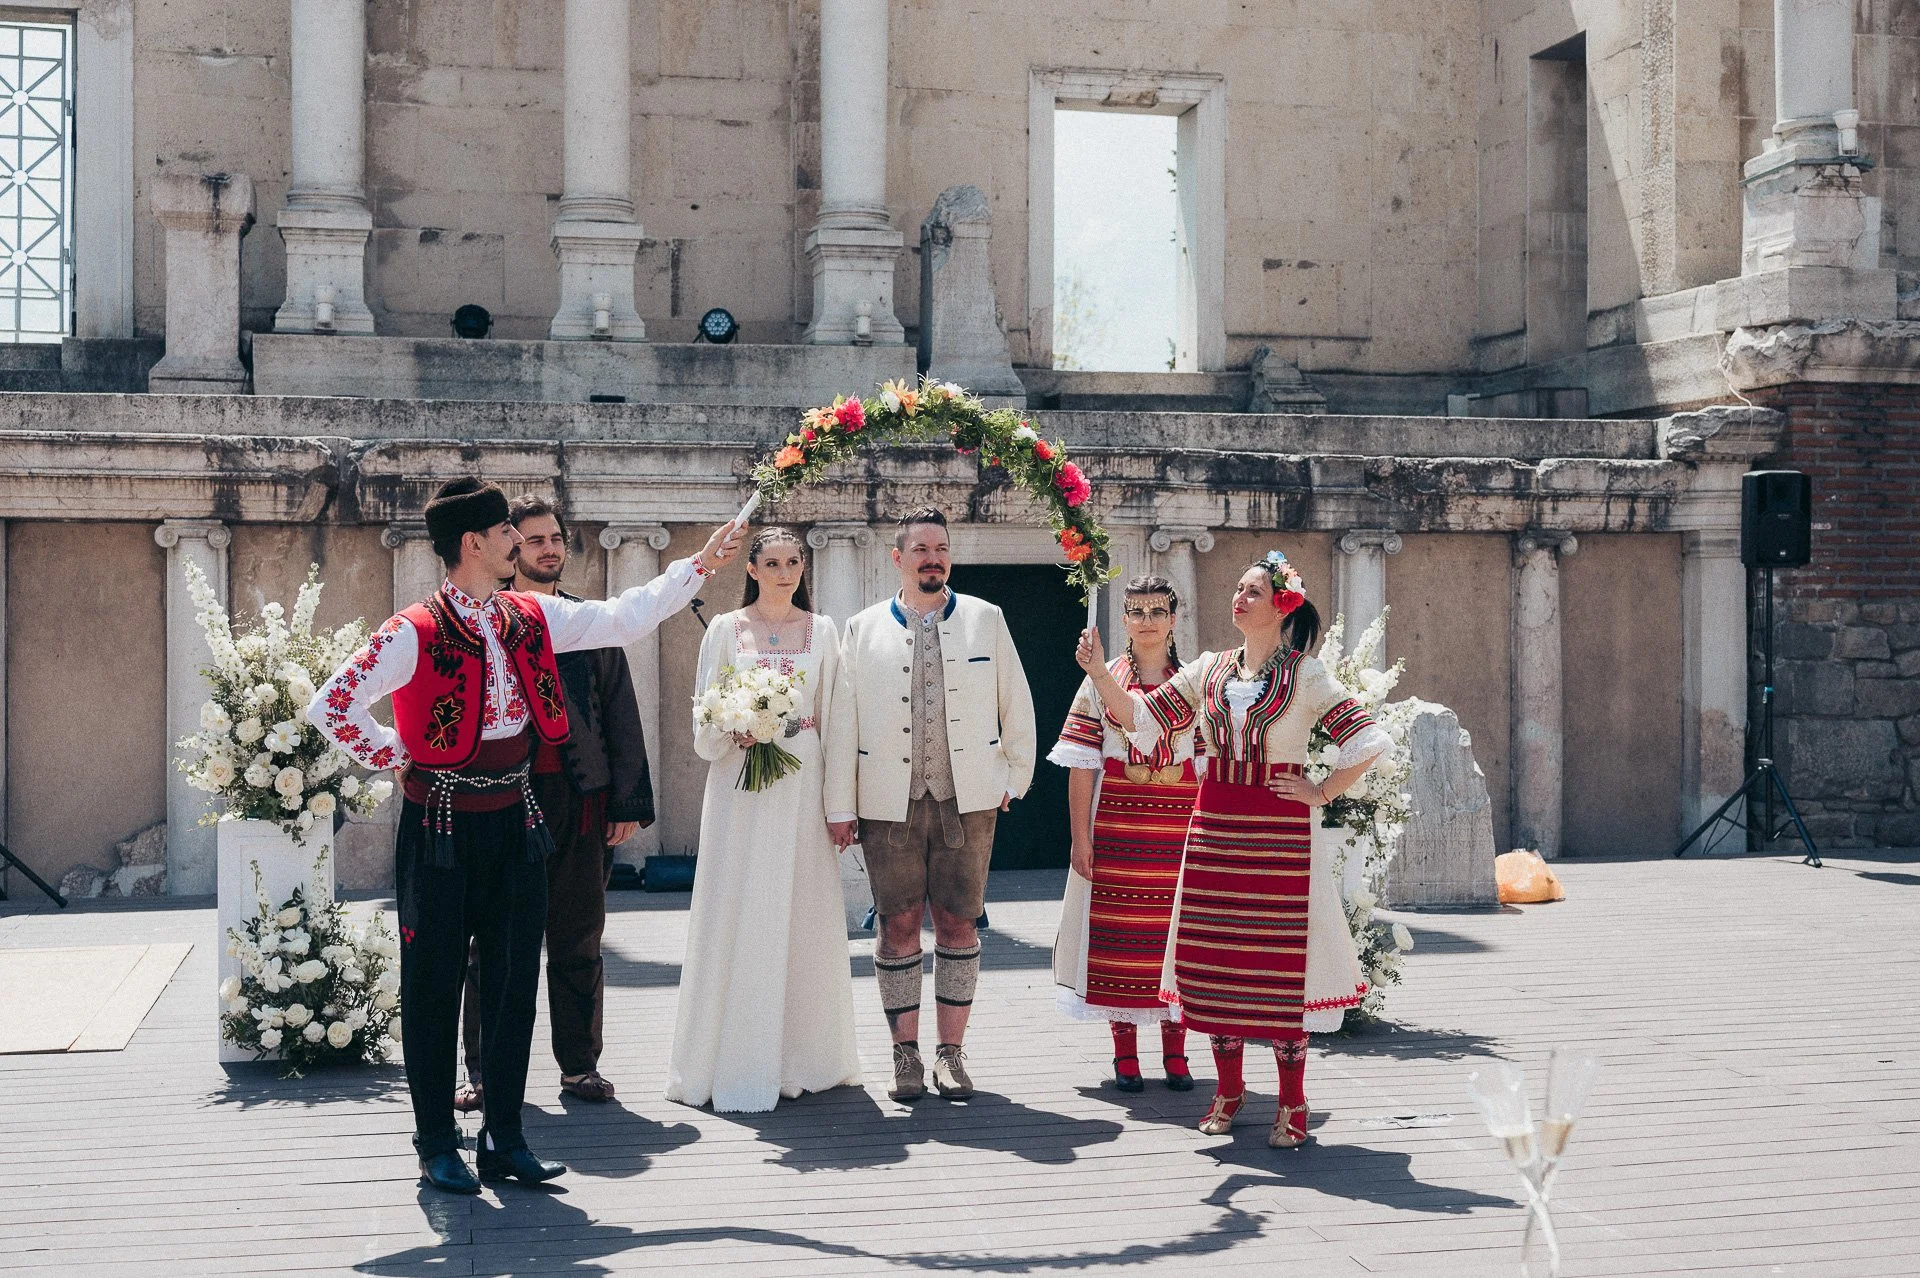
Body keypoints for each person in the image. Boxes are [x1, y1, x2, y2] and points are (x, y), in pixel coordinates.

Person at [308, 476, 742, 1194]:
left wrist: (698, 567)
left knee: (513, 984)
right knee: (435, 984)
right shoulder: (411, 629)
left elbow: (625, 617)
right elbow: (334, 705)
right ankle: (436, 1143)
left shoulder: (531, 615)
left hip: (517, 816)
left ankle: (505, 1139)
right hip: (441, 824)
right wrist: (396, 754)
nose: (520, 541)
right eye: (508, 532)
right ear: (474, 542)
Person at [1073, 550, 1391, 1149]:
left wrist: (1319, 789)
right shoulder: (1209, 669)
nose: (1238, 599)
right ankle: (1229, 1090)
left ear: (1281, 606)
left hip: (1277, 833)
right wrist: (1098, 672)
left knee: (1276, 966)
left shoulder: (1306, 674)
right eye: (1238, 591)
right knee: (1215, 962)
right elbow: (1143, 718)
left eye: (1252, 592)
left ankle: (1293, 1103)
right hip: (1214, 827)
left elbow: (1366, 739)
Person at [453, 495, 653, 1114]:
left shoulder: (588, 621)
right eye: (533, 539)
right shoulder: (480, 620)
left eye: (555, 539)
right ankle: (483, 1074)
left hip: (577, 800)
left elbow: (620, 711)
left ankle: (579, 1068)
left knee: (578, 938)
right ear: (509, 547)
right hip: (497, 797)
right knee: (491, 944)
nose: (546, 549)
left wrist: (625, 800)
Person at [829, 507, 1036, 1102]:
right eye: (920, 549)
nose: (932, 558)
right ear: (897, 559)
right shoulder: (862, 628)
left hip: (966, 799)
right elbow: (844, 724)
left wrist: (1013, 779)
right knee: (896, 926)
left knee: (958, 923)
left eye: (941, 548)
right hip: (886, 802)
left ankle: (951, 1053)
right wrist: (842, 804)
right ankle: (905, 1056)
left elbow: (1015, 704)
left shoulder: (985, 619)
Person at [664, 527, 863, 1112]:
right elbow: (705, 710)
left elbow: (837, 718)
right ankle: (731, 1056)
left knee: (800, 909)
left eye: (793, 562)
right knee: (740, 904)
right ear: (750, 569)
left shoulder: (823, 631)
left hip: (802, 777)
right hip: (740, 780)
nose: (783, 572)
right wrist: (734, 726)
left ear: (804, 567)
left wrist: (838, 804)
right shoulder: (725, 631)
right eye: (771, 563)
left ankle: (806, 1057)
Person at [1050, 575, 1200, 1094]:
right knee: (1119, 932)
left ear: (1174, 618)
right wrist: (1080, 838)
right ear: (1124, 620)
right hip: (1118, 816)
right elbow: (1081, 765)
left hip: (1180, 820)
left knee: (1176, 934)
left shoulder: (1195, 682)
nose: (1147, 621)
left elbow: (1206, 761)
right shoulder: (1101, 679)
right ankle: (1126, 1053)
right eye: (1136, 611)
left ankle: (1177, 1053)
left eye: (1158, 610)